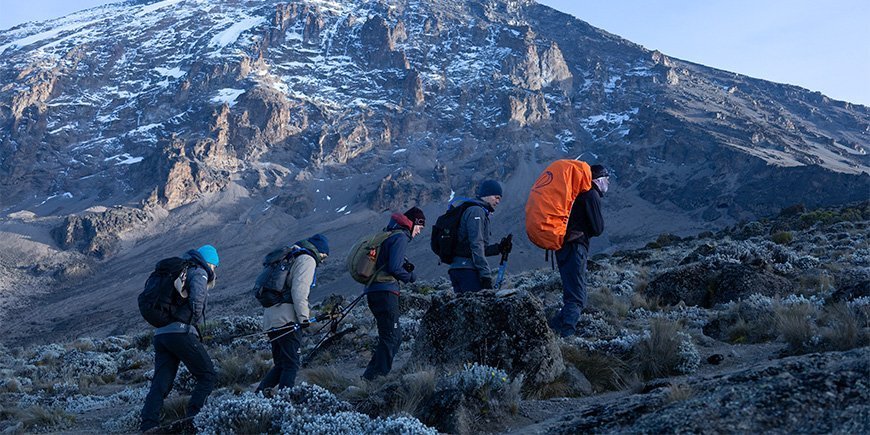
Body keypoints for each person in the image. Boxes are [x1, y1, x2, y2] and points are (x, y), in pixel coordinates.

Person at [140, 245, 219, 432]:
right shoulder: (199, 271)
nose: (215, 271)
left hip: (161, 334)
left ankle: (148, 424)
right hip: (180, 332)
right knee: (207, 375)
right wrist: (193, 322)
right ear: (210, 262)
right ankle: (193, 419)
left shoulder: (178, 270)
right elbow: (197, 300)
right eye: (215, 266)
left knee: (161, 383)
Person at [256, 234, 329, 392]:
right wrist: (304, 318)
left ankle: (257, 397)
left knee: (281, 364)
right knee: (291, 364)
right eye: (324, 257)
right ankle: (283, 402)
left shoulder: (291, 256)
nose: (322, 261)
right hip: (287, 319)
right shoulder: (307, 260)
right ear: (320, 252)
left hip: (271, 317)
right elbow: (299, 291)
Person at [362, 207, 425, 380]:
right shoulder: (400, 237)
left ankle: (369, 378)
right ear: (413, 223)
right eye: (420, 227)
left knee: (387, 337)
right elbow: (394, 267)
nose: (419, 232)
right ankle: (376, 379)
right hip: (385, 292)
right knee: (393, 338)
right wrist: (410, 277)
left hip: (374, 291)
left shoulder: (389, 233)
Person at [549, 165, 609, 337]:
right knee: (577, 297)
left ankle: (553, 328)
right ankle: (567, 334)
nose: (608, 182)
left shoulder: (577, 195)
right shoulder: (591, 194)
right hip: (575, 248)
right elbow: (598, 228)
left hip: (563, 247)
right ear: (598, 179)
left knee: (572, 292)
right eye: (606, 178)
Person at [448, 180, 513, 293]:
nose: (498, 202)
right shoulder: (476, 211)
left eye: (499, 199)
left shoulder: (475, 210)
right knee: (474, 308)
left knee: (464, 307)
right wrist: (485, 275)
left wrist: (499, 248)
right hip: (466, 270)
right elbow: (476, 244)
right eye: (496, 197)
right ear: (486, 194)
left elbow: (475, 247)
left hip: (458, 268)